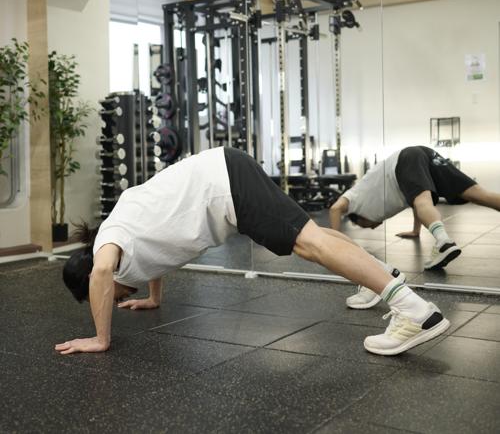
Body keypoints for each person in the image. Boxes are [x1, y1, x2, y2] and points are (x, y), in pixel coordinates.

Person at [56, 147, 450, 357]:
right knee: (312, 236)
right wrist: (153, 298)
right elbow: (153, 255)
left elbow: (103, 274)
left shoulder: (109, 243)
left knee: (309, 245)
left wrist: (100, 338)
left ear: (90, 275)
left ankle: (415, 312)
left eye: (103, 295)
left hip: (226, 185)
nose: (113, 298)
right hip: (227, 172)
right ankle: (381, 275)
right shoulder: (125, 232)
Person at [329, 145, 500, 309]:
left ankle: (443, 241)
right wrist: (415, 230)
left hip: (406, 158)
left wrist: (333, 246)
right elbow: (416, 202)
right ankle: (442, 240)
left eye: (365, 225)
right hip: (424, 154)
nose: (373, 227)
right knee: (480, 195)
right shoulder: (387, 194)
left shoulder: (355, 197)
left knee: (423, 201)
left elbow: (335, 208)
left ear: (359, 217)